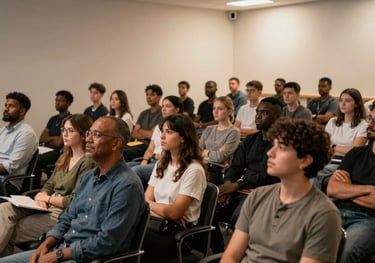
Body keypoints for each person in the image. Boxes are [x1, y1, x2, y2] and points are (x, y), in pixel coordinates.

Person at [0, 116, 146, 263]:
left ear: (116, 143)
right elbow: (67, 218)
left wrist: (59, 255)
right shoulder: (88, 178)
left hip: (88, 257)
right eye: (89, 133)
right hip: (62, 248)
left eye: (96, 135)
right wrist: (46, 244)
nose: (88, 139)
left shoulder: (127, 185)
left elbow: (108, 241)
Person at [222, 118, 342, 263]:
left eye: (282, 148)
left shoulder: (323, 214)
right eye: (274, 145)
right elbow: (231, 256)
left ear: (304, 160)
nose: (270, 153)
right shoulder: (258, 196)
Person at [0, 114, 96, 256]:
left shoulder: (88, 163)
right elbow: (49, 184)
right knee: (4, 208)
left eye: (70, 131)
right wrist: (42, 194)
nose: (64, 134)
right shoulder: (65, 156)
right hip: (46, 204)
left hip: (62, 213)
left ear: (83, 135)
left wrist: (47, 199)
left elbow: (74, 201)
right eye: (64, 129)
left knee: (13, 228)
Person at [210, 97, 283, 253]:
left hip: (265, 192)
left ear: (278, 117)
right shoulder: (251, 139)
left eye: (265, 113)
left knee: (240, 217)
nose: (258, 116)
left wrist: (237, 185)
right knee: (209, 209)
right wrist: (228, 184)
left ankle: (243, 255)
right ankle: (218, 253)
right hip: (241, 189)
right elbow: (235, 166)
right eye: (258, 112)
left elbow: (270, 176)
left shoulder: (282, 143)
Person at [141, 114, 207, 262]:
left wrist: (155, 208)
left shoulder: (193, 169)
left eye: (169, 132)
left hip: (179, 236)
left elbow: (175, 212)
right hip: (156, 223)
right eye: (162, 131)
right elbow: (146, 200)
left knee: (128, 238)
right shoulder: (161, 164)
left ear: (183, 137)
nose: (162, 136)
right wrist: (164, 211)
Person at [327, 100, 375, 262]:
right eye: (370, 119)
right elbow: (333, 189)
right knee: (302, 239)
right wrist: (368, 189)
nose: (370, 124)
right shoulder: (356, 154)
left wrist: (347, 189)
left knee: (346, 253)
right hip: (336, 211)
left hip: (369, 220)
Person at [312, 88, 368, 190]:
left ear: (356, 104)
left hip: (345, 164)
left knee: (316, 174)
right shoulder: (333, 121)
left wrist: (333, 147)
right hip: (327, 160)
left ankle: (311, 204)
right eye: (341, 100)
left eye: (347, 101)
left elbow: (354, 151)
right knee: (302, 169)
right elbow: (323, 146)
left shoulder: (363, 125)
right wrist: (342, 149)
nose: (343, 104)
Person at [128, 95, 183, 188]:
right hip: (150, 159)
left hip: (165, 162)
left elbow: (178, 153)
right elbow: (150, 148)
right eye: (163, 106)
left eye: (168, 106)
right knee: (122, 168)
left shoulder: (180, 128)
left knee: (136, 171)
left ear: (177, 109)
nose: (163, 109)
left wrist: (155, 156)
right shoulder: (158, 126)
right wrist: (145, 160)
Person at [0, 92, 38, 196]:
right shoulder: (3, 131)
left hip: (7, 184)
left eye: (11, 106)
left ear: (22, 111)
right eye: (6, 105)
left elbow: (11, 166)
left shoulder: (26, 133)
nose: (6, 109)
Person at [34, 90, 74, 188]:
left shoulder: (69, 119)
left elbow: (59, 143)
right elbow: (42, 138)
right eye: (56, 100)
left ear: (69, 103)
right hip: (45, 149)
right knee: (30, 155)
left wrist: (50, 138)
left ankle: (33, 188)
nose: (57, 102)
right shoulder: (53, 119)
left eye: (61, 100)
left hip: (58, 152)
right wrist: (54, 138)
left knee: (36, 161)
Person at [200, 96, 240, 186]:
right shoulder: (209, 129)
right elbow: (197, 151)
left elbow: (221, 157)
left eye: (220, 109)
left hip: (218, 171)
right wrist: (214, 154)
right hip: (202, 166)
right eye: (214, 108)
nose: (215, 112)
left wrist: (206, 153)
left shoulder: (233, 132)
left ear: (230, 111)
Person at [123, 84, 163, 162]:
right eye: (147, 95)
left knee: (124, 153)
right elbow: (134, 133)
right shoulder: (143, 113)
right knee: (116, 150)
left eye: (152, 95)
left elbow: (152, 135)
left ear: (159, 96)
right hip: (137, 143)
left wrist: (140, 130)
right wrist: (147, 133)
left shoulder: (162, 113)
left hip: (149, 146)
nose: (148, 97)